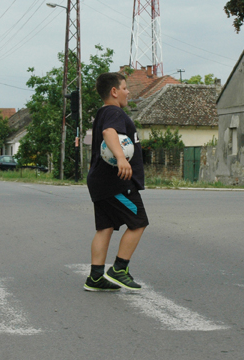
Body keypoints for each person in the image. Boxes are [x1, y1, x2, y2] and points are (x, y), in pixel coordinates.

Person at [84, 72, 149, 292]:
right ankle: (119, 269)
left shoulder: (102, 112)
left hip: (99, 181)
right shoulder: (114, 112)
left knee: (105, 227)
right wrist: (121, 158)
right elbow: (109, 132)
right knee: (138, 222)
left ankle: (95, 277)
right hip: (117, 183)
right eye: (125, 87)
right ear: (114, 91)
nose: (128, 91)